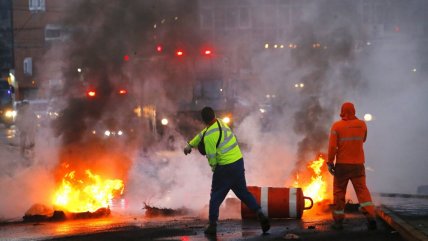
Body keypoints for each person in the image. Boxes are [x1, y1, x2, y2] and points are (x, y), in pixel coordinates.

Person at [183, 106, 270, 235]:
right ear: (214, 115)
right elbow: (202, 134)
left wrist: (215, 170)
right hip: (238, 163)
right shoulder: (220, 122)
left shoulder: (209, 138)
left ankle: (212, 225)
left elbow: (212, 158)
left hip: (224, 168)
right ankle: (260, 213)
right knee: (243, 193)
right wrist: (190, 144)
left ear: (203, 120)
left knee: (215, 198)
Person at [327, 102, 377, 230]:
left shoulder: (336, 126)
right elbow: (363, 139)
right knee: (362, 192)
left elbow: (332, 147)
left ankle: (338, 222)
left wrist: (330, 162)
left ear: (342, 111)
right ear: (354, 110)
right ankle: (371, 217)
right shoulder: (362, 124)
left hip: (342, 166)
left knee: (339, 194)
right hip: (358, 166)